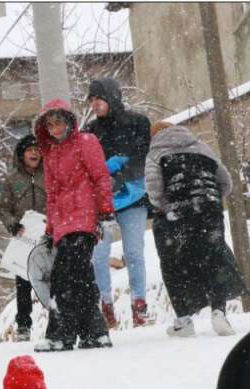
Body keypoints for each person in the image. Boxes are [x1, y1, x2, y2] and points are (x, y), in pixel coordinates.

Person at [145, 122, 243, 339]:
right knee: (214, 257)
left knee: (172, 262)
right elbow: (226, 182)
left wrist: (166, 206)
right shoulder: (201, 146)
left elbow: (153, 188)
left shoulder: (155, 152)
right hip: (209, 209)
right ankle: (219, 312)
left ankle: (184, 320)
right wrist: (210, 199)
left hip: (177, 214)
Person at [33, 99, 114, 352]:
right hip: (64, 224)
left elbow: (100, 176)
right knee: (79, 276)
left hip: (84, 217)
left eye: (58, 122)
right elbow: (52, 195)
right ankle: (94, 332)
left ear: (69, 121)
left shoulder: (86, 142)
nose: (55, 129)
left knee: (64, 277)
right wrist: (50, 229)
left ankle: (62, 334)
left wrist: (105, 212)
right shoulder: (51, 154)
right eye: (50, 124)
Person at [82, 78, 152, 328]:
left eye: (98, 98)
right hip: (101, 202)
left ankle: (139, 303)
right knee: (99, 255)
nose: (95, 104)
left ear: (112, 97)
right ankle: (106, 305)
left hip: (134, 196)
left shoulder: (137, 122)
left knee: (134, 251)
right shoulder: (89, 132)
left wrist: (120, 176)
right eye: (91, 100)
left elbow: (144, 156)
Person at [0, 134, 46, 342]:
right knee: (23, 282)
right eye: (29, 150)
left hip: (46, 236)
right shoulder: (12, 180)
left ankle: (57, 318)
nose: (34, 153)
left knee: (49, 278)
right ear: (22, 155)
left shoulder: (49, 174)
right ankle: (24, 324)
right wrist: (13, 225)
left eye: (37, 149)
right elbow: (4, 208)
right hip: (23, 238)